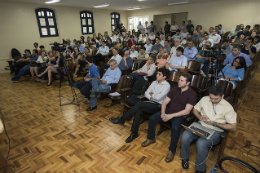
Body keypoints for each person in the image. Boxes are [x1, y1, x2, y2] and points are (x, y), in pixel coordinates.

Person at [142, 73, 197, 163]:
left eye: (182, 80)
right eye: (179, 79)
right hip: (168, 112)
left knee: (175, 128)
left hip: (179, 115)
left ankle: (172, 150)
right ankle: (151, 138)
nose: (179, 82)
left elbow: (187, 111)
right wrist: (163, 113)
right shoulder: (175, 89)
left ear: (188, 83)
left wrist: (170, 116)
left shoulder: (192, 94)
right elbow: (165, 102)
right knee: (152, 119)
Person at [180, 85, 237, 173]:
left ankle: (200, 169)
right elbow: (195, 109)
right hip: (201, 125)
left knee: (201, 143)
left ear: (222, 96)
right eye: (211, 98)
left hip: (216, 130)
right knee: (185, 136)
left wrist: (215, 123)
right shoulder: (205, 99)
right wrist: (200, 116)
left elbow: (233, 127)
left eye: (216, 99)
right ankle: (185, 158)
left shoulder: (228, 107)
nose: (213, 100)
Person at [109, 68, 171, 143]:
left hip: (157, 106)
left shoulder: (167, 86)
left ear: (164, 77)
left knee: (139, 104)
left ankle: (122, 119)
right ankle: (134, 133)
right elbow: (146, 93)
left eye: (159, 74)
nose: (157, 75)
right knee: (138, 111)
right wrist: (153, 96)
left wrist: (152, 95)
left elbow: (158, 98)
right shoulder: (154, 82)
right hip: (149, 103)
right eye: (157, 73)